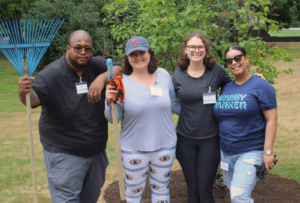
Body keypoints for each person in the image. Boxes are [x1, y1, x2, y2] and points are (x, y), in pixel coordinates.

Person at [18, 30, 122, 203]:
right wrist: (24, 92)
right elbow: (32, 100)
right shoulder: (51, 74)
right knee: (67, 199)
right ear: (68, 49)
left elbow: (119, 68)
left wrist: (102, 79)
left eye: (87, 48)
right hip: (64, 153)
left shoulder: (95, 65)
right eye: (77, 48)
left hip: (96, 151)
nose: (83, 52)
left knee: (89, 198)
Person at [104, 36, 181, 203]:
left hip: (165, 145)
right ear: (127, 58)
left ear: (149, 53)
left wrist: (199, 114)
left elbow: (174, 104)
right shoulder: (120, 82)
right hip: (133, 148)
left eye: (142, 52)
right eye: (133, 54)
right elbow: (113, 118)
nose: (138, 57)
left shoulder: (163, 75)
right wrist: (108, 102)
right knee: (133, 193)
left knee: (161, 190)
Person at [172, 32, 232, 203]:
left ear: (206, 49)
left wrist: (254, 80)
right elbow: (170, 101)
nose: (196, 50)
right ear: (185, 50)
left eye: (200, 47)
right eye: (192, 47)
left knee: (205, 189)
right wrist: (188, 113)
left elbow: (234, 86)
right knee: (193, 188)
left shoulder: (217, 70)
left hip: (210, 139)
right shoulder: (178, 74)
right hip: (185, 139)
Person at [213, 46, 277, 203]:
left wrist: (268, 152)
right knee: (233, 191)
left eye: (238, 58)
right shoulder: (227, 87)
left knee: (238, 196)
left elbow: (272, 119)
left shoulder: (261, 86)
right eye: (229, 60)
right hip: (226, 153)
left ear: (246, 59)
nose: (234, 63)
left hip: (250, 151)